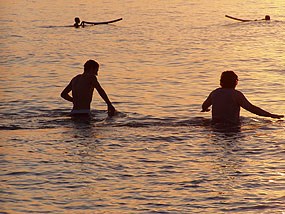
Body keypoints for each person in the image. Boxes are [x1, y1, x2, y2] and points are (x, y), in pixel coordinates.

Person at [201, 71, 283, 124]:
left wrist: (205, 109)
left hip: (215, 124)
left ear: (221, 82)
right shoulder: (236, 94)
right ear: (235, 82)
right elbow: (251, 108)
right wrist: (271, 115)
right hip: (231, 125)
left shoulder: (215, 93)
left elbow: (204, 105)